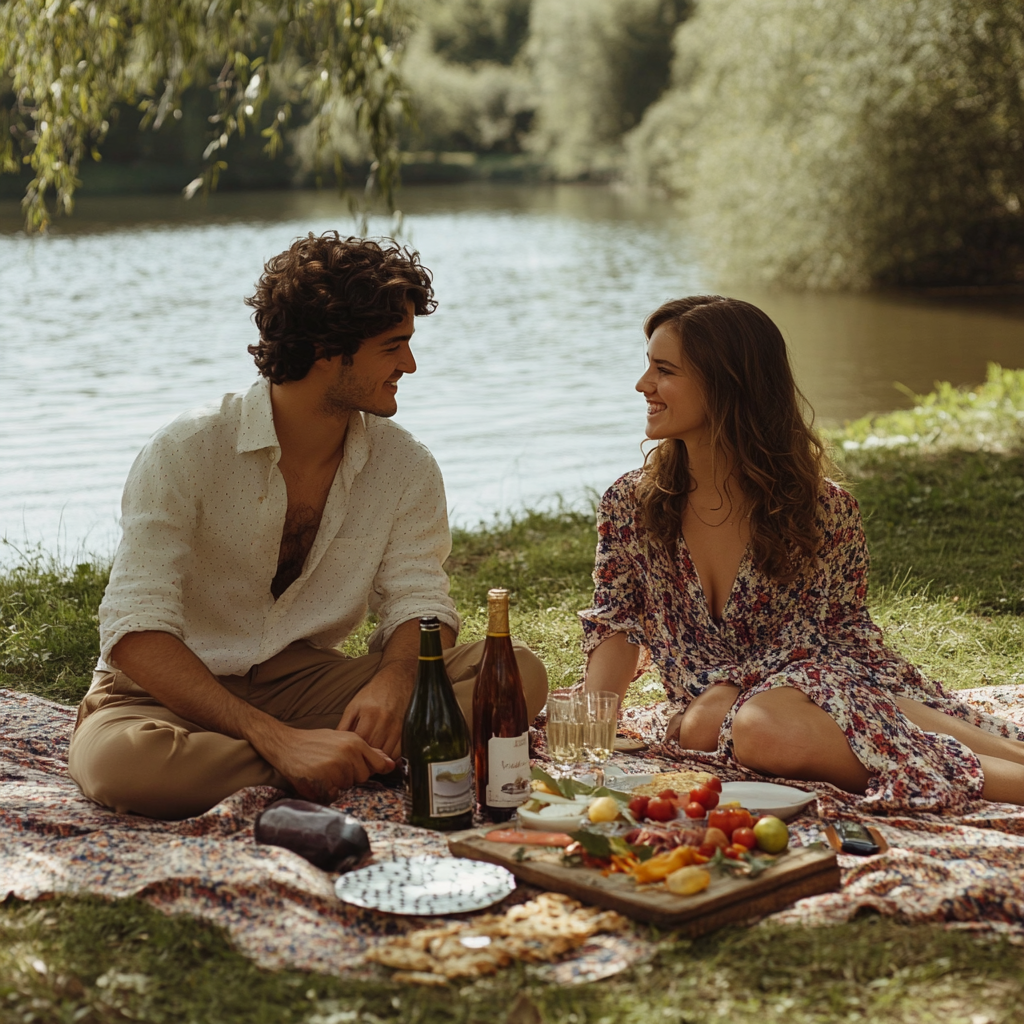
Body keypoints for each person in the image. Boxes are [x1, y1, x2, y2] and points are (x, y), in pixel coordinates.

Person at [68, 232, 548, 821]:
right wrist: (275, 739)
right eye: (393, 346)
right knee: (125, 766)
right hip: (167, 697)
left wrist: (395, 685)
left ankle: (320, 755)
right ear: (326, 349)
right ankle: (333, 759)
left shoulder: (405, 466)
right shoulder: (187, 451)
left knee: (514, 673)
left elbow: (419, 603)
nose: (410, 365)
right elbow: (135, 628)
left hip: (306, 683)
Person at [580, 295, 1024, 811]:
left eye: (664, 370)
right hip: (747, 713)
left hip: (821, 684)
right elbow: (616, 622)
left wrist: (725, 699)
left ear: (726, 384)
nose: (643, 385)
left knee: (758, 727)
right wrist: (593, 733)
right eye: (648, 367)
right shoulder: (631, 505)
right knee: (750, 728)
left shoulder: (819, 510)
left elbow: (839, 644)